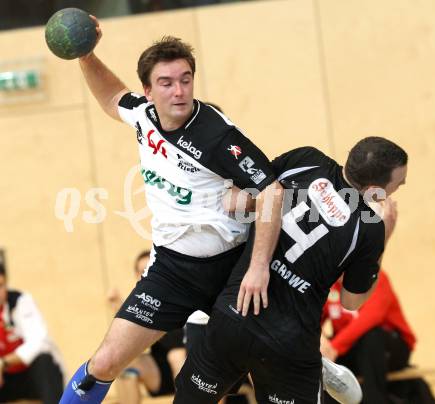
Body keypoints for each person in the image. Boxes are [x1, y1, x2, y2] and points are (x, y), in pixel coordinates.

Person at [59, 17, 283, 403]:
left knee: (258, 369)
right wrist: (85, 55)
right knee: (106, 362)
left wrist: (258, 266)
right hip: (171, 271)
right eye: (166, 83)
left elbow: (273, 192)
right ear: (148, 90)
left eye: (185, 79)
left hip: (230, 269)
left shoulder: (217, 135)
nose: (179, 91)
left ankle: (314, 366)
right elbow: (113, 98)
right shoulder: (143, 116)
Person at [173, 137, 408, 404]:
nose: (398, 188)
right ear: (375, 189)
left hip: (234, 314)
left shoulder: (306, 160)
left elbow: (234, 203)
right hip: (289, 344)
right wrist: (384, 239)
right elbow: (351, 301)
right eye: (397, 185)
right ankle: (319, 366)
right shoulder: (370, 228)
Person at [321, 200, 435, 404]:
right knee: (321, 357)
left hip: (390, 346)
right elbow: (313, 315)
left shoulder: (376, 279)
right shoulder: (328, 285)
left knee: (370, 337)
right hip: (351, 349)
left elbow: (370, 318)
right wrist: (320, 340)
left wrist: (335, 347)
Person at [107, 250, 186, 403]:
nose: (148, 274)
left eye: (151, 268)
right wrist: (118, 306)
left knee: (177, 356)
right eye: (143, 271)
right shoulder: (142, 304)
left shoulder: (180, 293)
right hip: (160, 371)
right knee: (126, 365)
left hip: (191, 364)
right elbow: (130, 340)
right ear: (138, 277)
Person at [0, 260, 65, 404]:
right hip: (4, 382)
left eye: (0, 286)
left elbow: (39, 342)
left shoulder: (20, 301)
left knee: (44, 360)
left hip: (31, 377)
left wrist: (3, 362)